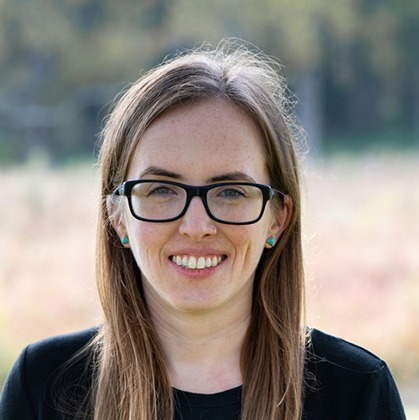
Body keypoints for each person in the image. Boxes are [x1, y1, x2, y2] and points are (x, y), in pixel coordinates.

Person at [0, 40, 406, 420]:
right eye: (160, 189)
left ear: (278, 217)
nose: (197, 227)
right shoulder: (41, 386)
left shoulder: (356, 393)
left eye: (230, 191)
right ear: (117, 215)